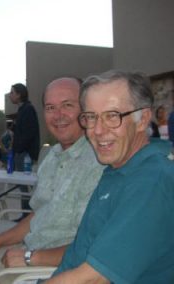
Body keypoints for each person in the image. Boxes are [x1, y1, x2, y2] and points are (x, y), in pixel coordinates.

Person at [0, 77, 105, 284]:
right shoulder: (51, 157)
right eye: (50, 107)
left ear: (86, 110)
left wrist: (30, 257)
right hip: (31, 249)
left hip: (59, 266)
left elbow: (97, 247)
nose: (58, 115)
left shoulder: (100, 160)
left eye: (68, 105)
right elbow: (38, 215)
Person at [48, 70, 174, 283]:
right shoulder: (118, 169)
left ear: (143, 120)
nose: (97, 130)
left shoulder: (151, 180)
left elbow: (92, 279)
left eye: (112, 116)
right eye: (91, 117)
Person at [9, 83, 40, 218]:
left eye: (12, 93)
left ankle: (27, 216)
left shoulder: (28, 109)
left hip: (24, 154)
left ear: (19, 94)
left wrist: (19, 148)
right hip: (20, 152)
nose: (10, 95)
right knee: (21, 185)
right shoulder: (22, 110)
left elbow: (29, 132)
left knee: (24, 185)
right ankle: (24, 214)